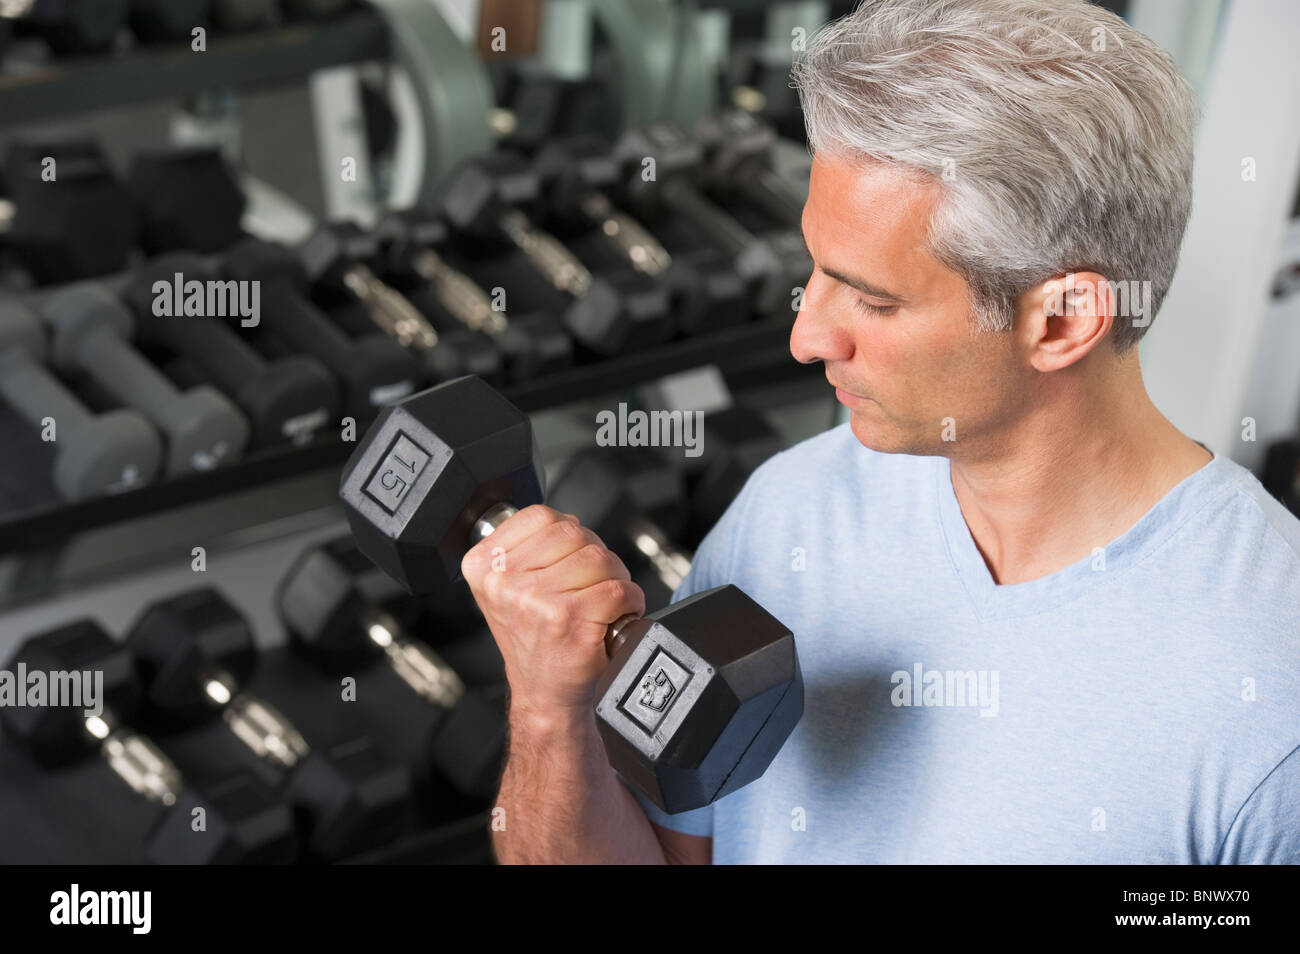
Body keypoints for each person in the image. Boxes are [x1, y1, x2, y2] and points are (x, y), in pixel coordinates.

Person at [462, 0, 1300, 863]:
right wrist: (546, 708)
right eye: (816, 273)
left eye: (873, 299)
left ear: (1062, 322)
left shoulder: (1268, 687)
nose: (806, 337)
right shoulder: (791, 512)